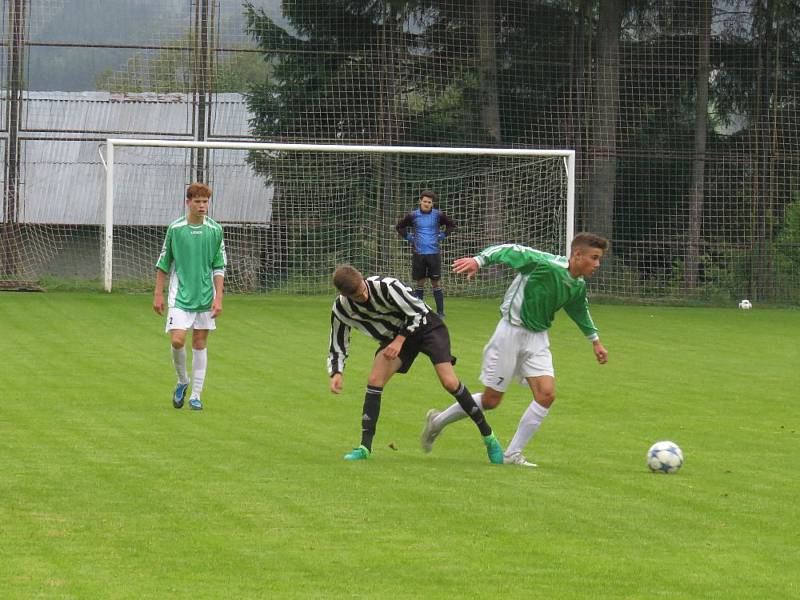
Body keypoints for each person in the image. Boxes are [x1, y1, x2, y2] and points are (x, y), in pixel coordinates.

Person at [420, 233, 609, 467]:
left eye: (599, 259)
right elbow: (509, 249)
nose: (597, 264)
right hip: (510, 333)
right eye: (594, 257)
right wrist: (479, 261)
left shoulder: (578, 285)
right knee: (491, 401)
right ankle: (437, 422)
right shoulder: (544, 263)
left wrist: (595, 341)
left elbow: (579, 310)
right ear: (578, 255)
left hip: (538, 338)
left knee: (546, 395)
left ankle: (513, 454)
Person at [327, 264, 503, 463]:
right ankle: (364, 448)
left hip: (427, 328)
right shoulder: (341, 308)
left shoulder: (387, 286)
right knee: (375, 379)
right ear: (344, 295)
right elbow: (338, 341)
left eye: (363, 290)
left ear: (363, 280)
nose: (364, 297)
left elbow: (418, 312)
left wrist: (399, 341)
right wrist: (336, 372)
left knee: (450, 382)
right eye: (357, 297)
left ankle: (489, 438)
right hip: (396, 337)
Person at [153, 182, 227, 411]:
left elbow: (219, 266)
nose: (202, 206)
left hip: (205, 295)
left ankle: (196, 395)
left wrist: (219, 298)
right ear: (188, 203)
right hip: (180, 294)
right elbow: (164, 263)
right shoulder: (175, 229)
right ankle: (182, 380)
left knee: (199, 343)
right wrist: (158, 294)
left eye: (205, 202)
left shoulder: (215, 230)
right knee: (177, 340)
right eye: (198, 202)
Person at [395, 190, 455, 317]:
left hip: (434, 254)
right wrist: (409, 238)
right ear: (420, 201)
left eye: (429, 202)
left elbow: (451, 224)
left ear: (432, 204)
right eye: (425, 201)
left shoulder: (438, 215)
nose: (427, 204)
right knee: (420, 282)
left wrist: (443, 235)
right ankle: (419, 311)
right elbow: (399, 227)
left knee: (436, 282)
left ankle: (440, 313)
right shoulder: (413, 215)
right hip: (419, 254)